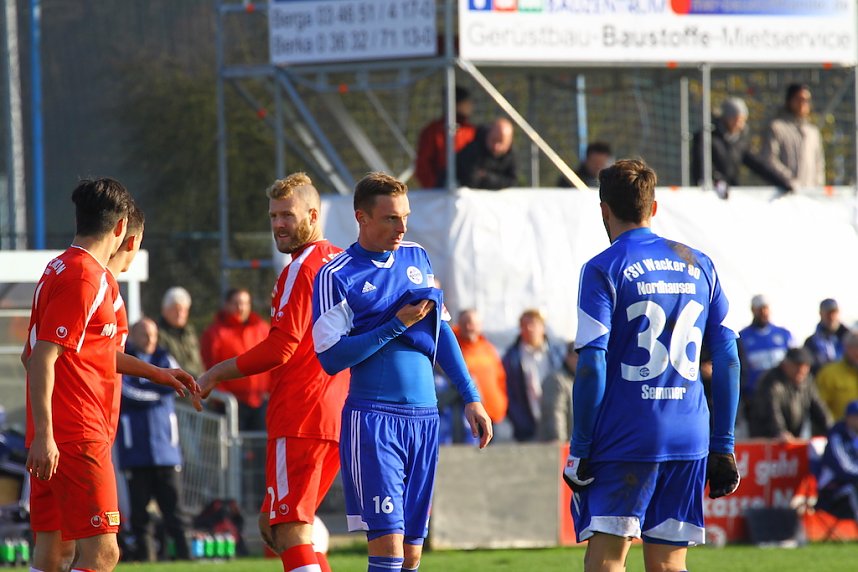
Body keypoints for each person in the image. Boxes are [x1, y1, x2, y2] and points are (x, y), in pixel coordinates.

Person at [564, 159, 740, 572]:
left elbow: (591, 364)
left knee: (606, 561)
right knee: (668, 564)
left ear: (604, 210)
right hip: (689, 435)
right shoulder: (700, 264)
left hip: (627, 435)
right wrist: (724, 444)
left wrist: (581, 448)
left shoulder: (603, 268)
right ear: (653, 207)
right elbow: (728, 358)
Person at [311, 172, 492, 572]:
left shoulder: (416, 257)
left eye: (405, 217)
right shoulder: (336, 275)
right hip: (375, 421)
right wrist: (395, 325)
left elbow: (440, 330)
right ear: (361, 217)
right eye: (391, 218)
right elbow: (331, 357)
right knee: (388, 552)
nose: (402, 227)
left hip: (425, 420)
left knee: (411, 555)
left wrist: (471, 396)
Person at [23, 178, 197, 572]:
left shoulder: (59, 268)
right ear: (121, 229)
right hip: (77, 435)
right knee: (103, 554)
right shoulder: (84, 277)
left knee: (54, 553)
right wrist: (49, 433)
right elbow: (42, 357)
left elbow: (77, 353)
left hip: (56, 434)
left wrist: (156, 373)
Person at [196, 172, 348, 572]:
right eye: (273, 216)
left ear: (313, 215)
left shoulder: (302, 268)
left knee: (290, 528)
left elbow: (281, 348)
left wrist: (215, 373)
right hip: (334, 413)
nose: (279, 224)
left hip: (301, 413)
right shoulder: (342, 262)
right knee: (275, 524)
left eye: (287, 215)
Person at [117, 318, 191, 562]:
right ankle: (145, 558)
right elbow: (126, 391)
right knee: (140, 514)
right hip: (135, 452)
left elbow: (178, 382)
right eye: (144, 334)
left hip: (166, 451)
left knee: (175, 511)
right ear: (133, 335)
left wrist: (151, 387)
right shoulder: (124, 358)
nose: (150, 339)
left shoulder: (164, 357)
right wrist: (158, 390)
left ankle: (185, 557)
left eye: (153, 334)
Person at [200, 287, 271, 431]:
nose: (241, 308)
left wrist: (271, 390)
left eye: (245, 303)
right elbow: (210, 365)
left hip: (260, 401)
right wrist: (224, 397)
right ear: (227, 305)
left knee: (260, 442)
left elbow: (273, 362)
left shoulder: (262, 329)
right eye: (236, 303)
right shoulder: (215, 333)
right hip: (231, 404)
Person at [691, 97, 790, 196]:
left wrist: (782, 182)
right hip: (710, 192)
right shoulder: (706, 138)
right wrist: (716, 182)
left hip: (730, 190)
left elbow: (757, 165)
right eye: (737, 120)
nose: (741, 125)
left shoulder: (740, 141)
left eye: (743, 120)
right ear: (727, 118)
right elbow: (700, 167)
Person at [502, 309, 565, 442]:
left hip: (557, 424)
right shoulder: (511, 358)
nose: (530, 328)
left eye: (534, 324)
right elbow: (509, 393)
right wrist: (519, 421)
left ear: (543, 327)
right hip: (527, 428)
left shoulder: (558, 354)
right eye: (525, 325)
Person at [747, 347, 832, 441]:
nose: (801, 370)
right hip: (767, 438)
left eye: (806, 366)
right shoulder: (771, 381)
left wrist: (832, 429)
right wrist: (780, 432)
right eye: (797, 365)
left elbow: (818, 407)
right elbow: (771, 410)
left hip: (793, 436)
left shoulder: (807, 382)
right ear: (785, 365)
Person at [761, 83, 825, 191]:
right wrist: (790, 180)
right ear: (789, 101)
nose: (803, 103)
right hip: (782, 192)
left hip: (809, 193)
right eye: (799, 99)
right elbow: (769, 159)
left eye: (806, 100)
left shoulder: (813, 132)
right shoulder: (776, 128)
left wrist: (817, 186)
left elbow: (819, 163)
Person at [453, 309, 508, 428]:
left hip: (494, 414)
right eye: (465, 323)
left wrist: (502, 402)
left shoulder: (487, 347)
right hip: (468, 418)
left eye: (473, 323)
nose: (469, 327)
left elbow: (500, 377)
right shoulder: (453, 347)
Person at [414, 86, 477, 189]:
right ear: (456, 104)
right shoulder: (433, 131)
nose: (471, 106)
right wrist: (434, 186)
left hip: (468, 189)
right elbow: (423, 164)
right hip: (440, 189)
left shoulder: (472, 131)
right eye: (467, 103)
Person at [738, 294, 794, 405]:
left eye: (765, 308)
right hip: (755, 396)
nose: (763, 312)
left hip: (783, 394)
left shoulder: (784, 334)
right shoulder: (742, 337)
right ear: (753, 310)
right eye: (759, 309)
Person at [816, 400, 858, 522]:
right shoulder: (836, 436)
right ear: (849, 418)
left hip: (850, 484)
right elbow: (843, 469)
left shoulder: (855, 437)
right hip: (832, 489)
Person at [455, 118, 517, 190]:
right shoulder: (472, 150)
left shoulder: (510, 155)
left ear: (509, 142)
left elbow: (512, 181)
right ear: (488, 134)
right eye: (493, 140)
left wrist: (487, 177)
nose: (496, 147)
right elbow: (471, 181)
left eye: (501, 142)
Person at [158, 286, 204, 378]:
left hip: (196, 381)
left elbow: (198, 363)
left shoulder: (190, 334)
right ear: (165, 310)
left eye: (184, 310)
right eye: (176, 309)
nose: (180, 314)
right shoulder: (158, 334)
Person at [538, 341, 578, 442]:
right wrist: (560, 441)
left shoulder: (580, 380)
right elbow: (556, 414)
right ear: (568, 357)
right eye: (576, 356)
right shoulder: (557, 380)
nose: (580, 360)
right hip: (558, 445)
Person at [816, 331, 858, 420]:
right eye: (854, 347)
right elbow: (819, 406)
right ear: (846, 348)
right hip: (838, 426)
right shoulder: (829, 373)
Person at [804, 298, 850, 375]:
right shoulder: (811, 342)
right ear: (821, 314)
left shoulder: (851, 340)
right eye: (828, 313)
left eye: (834, 313)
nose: (831, 317)